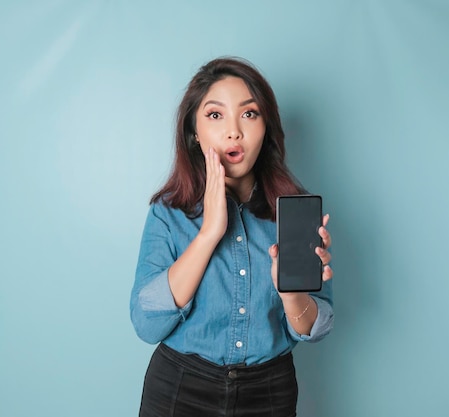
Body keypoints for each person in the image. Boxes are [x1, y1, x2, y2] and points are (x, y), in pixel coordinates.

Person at [130, 57, 334, 417]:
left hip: (269, 392)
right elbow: (147, 324)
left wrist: (293, 295)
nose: (233, 131)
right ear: (194, 132)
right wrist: (209, 233)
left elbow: (315, 328)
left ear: (266, 127)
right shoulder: (169, 212)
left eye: (249, 114)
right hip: (180, 389)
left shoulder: (295, 212)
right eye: (215, 115)